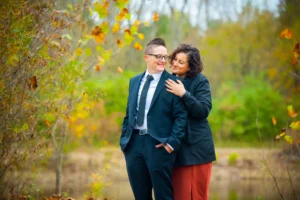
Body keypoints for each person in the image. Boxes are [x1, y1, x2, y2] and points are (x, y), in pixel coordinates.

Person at [120, 38, 188, 200]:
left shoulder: (173, 82)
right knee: (140, 196)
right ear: (146, 57)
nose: (163, 60)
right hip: (134, 145)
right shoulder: (134, 81)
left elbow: (181, 117)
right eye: (158, 56)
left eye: (165, 57)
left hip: (159, 145)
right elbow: (129, 113)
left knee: (163, 196)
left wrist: (172, 143)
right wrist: (125, 140)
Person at [165, 44, 216, 200]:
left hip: (197, 148)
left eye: (181, 62)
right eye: (175, 59)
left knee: (197, 196)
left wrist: (184, 94)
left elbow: (203, 110)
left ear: (190, 66)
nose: (175, 63)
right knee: (178, 195)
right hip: (175, 147)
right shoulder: (167, 80)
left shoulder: (200, 81)